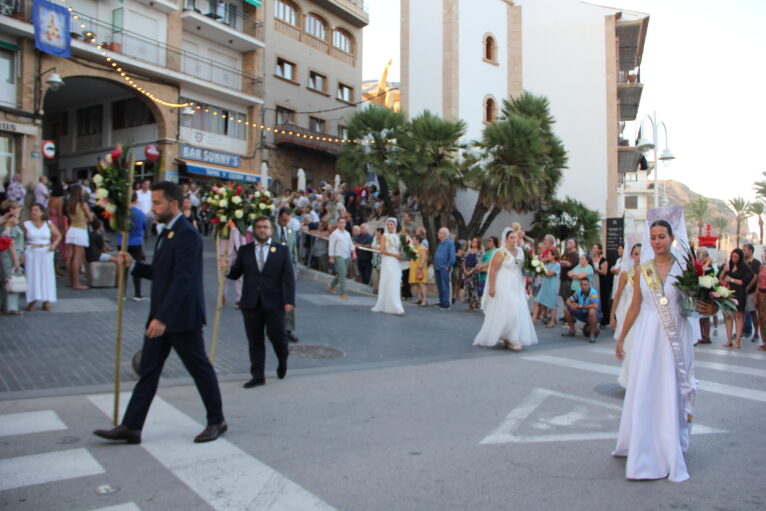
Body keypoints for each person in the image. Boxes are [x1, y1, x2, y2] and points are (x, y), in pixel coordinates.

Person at [94, 182, 226, 444]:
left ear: (173, 204)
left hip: (180, 318)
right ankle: (132, 426)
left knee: (200, 370)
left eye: (157, 203)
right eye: (152, 202)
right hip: (161, 317)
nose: (152, 208)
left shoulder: (186, 233)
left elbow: (183, 280)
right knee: (149, 372)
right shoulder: (168, 233)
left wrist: (163, 318)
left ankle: (216, 420)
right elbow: (161, 272)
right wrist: (133, 265)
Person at [613, 208, 715, 482]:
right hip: (647, 334)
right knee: (646, 386)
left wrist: (709, 307)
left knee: (669, 388)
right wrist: (622, 337)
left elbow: (696, 303)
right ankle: (643, 443)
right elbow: (635, 306)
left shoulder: (685, 269)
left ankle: (669, 444)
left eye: (662, 236)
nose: (657, 241)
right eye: (653, 237)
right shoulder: (642, 269)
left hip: (674, 335)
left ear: (672, 238)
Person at [222, 215, 295, 389]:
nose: (262, 230)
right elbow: (236, 274)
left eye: (266, 227)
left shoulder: (282, 250)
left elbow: (289, 278)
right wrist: (226, 268)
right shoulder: (245, 250)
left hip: (275, 303)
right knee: (255, 341)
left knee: (277, 337)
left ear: (271, 230)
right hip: (251, 303)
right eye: (259, 227)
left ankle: (282, 359)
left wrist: (289, 300)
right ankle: (257, 375)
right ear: (254, 230)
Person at [473, 227, 538, 351]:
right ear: (506, 239)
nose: (514, 240)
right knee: (511, 308)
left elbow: (527, 264)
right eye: (511, 237)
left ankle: (510, 337)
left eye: (516, 237)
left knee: (517, 309)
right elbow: (493, 269)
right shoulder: (501, 252)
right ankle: (513, 338)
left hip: (517, 284)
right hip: (504, 284)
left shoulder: (521, 251)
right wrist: (491, 288)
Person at [610, 243, 641, 388]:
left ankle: (639, 380)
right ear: (631, 256)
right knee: (629, 346)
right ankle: (630, 380)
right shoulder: (625, 274)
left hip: (643, 314)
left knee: (640, 347)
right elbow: (617, 295)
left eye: (641, 253)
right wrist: (612, 315)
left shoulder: (649, 273)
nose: (638, 257)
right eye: (636, 254)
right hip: (629, 312)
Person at [23, 203, 62, 312]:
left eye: (36, 210)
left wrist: (54, 244)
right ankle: (32, 299)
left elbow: (58, 235)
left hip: (46, 251)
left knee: (47, 275)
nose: (33, 212)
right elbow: (21, 238)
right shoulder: (26, 224)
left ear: (41, 212)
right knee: (32, 275)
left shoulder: (48, 223)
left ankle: (47, 300)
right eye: (32, 210)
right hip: (32, 251)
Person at [719, 248, 754, 349]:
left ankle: (737, 341)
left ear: (740, 258)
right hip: (727, 293)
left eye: (736, 257)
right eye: (732, 256)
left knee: (739, 317)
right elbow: (720, 279)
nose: (734, 259)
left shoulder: (744, 268)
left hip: (739, 294)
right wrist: (724, 271)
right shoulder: (727, 265)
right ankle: (729, 340)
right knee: (728, 316)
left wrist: (732, 279)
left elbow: (744, 282)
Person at [274, 207, 299, 343]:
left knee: (289, 299)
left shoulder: (291, 232)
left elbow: (294, 250)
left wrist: (295, 270)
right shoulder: (271, 230)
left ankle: (288, 329)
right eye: (283, 220)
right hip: (273, 270)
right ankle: (275, 327)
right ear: (278, 218)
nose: (284, 223)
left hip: (288, 270)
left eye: (287, 221)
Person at [371, 218, 405, 316]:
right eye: (388, 224)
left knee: (395, 282)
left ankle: (394, 304)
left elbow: (399, 249)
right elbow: (382, 250)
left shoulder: (397, 236)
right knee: (389, 281)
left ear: (395, 226)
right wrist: (395, 255)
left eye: (392, 225)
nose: (390, 226)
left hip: (396, 262)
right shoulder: (384, 236)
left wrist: (403, 253)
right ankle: (396, 306)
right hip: (388, 261)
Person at [65, 185, 93, 290]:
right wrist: (87, 218)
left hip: (71, 229)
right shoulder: (82, 204)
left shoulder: (69, 204)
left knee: (70, 257)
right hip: (80, 230)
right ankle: (76, 282)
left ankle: (70, 279)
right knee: (77, 257)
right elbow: (90, 218)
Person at [0, 200, 23, 315]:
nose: (20, 210)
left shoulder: (5, 221)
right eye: (18, 208)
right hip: (9, 254)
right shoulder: (11, 223)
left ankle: (5, 305)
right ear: (11, 210)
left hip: (6, 253)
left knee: (5, 279)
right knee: (12, 280)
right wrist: (16, 261)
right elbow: (10, 243)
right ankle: (11, 307)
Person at [562, 278, 602, 342]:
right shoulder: (579, 291)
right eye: (582, 285)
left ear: (589, 285)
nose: (583, 286)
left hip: (594, 315)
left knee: (592, 311)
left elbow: (595, 306)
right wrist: (572, 305)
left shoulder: (593, 292)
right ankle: (572, 330)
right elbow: (568, 301)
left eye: (585, 285)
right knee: (566, 308)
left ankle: (592, 335)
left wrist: (580, 306)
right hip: (582, 312)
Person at [328, 217, 356, 300]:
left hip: (346, 255)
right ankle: (343, 292)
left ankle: (331, 286)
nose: (342, 224)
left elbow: (351, 244)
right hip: (338, 255)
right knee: (343, 273)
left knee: (341, 273)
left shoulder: (347, 233)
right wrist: (331, 257)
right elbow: (331, 246)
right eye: (340, 222)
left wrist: (353, 252)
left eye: (344, 222)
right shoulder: (334, 234)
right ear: (337, 223)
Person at [534, 247, 561, 327]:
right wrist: (540, 266)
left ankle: (552, 321)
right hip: (544, 286)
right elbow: (542, 273)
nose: (547, 256)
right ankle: (534, 318)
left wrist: (541, 268)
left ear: (554, 256)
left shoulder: (557, 265)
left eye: (549, 254)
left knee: (552, 304)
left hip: (552, 286)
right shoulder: (548, 264)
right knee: (536, 301)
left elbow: (549, 274)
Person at [128, 193, 147, 301]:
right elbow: (145, 226)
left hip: (122, 242)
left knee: (123, 268)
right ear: (136, 199)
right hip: (136, 242)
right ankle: (137, 293)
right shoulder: (139, 213)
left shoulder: (121, 212)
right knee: (136, 266)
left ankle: (122, 293)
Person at [47, 181, 67, 276]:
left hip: (49, 220)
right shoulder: (59, 201)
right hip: (56, 221)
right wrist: (63, 226)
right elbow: (60, 214)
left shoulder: (50, 199)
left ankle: (52, 267)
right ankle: (56, 269)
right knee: (58, 245)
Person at [742, 243, 761, 343]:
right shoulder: (742, 262)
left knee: (753, 312)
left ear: (750, 251)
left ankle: (756, 332)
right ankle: (742, 330)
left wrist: (748, 287)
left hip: (751, 291)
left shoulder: (756, 263)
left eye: (745, 249)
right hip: (742, 291)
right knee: (741, 312)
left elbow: (756, 276)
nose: (743, 251)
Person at [434, 227, 455, 310]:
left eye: (439, 232)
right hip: (438, 267)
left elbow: (452, 256)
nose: (438, 234)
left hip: (444, 268)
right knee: (440, 285)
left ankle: (446, 303)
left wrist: (449, 265)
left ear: (444, 234)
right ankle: (442, 301)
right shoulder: (440, 243)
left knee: (445, 285)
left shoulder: (449, 243)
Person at [592, 243, 611, 327]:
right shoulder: (591, 259)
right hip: (593, 280)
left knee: (602, 300)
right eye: (593, 248)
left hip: (601, 282)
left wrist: (596, 269)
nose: (593, 249)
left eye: (595, 248)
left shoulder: (603, 260)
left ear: (599, 250)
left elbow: (604, 272)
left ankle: (604, 320)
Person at [462, 237, 483, 312]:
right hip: (467, 270)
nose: (473, 242)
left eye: (475, 241)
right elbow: (464, 261)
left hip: (474, 272)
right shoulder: (468, 251)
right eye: (473, 241)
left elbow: (479, 263)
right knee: (468, 288)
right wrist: (465, 270)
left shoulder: (480, 252)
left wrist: (471, 271)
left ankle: (476, 305)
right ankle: (470, 305)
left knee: (474, 288)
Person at [409, 234, 429, 307]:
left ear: (418, 240)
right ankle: (419, 298)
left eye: (414, 239)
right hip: (415, 268)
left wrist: (420, 267)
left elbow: (424, 258)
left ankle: (424, 299)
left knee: (422, 284)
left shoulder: (422, 248)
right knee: (417, 283)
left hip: (420, 268)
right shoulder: (415, 248)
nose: (413, 240)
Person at [559, 238, 579, 304]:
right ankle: (567, 312)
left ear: (574, 245)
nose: (567, 243)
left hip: (570, 280)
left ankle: (570, 312)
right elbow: (560, 261)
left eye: (570, 242)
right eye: (567, 242)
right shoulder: (565, 254)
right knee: (563, 296)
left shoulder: (575, 254)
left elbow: (568, 264)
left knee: (569, 298)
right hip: (563, 278)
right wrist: (563, 262)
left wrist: (563, 262)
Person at [755, 248, 766, 351]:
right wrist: (756, 296)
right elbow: (758, 282)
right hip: (761, 295)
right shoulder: (762, 267)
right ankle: (764, 340)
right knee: (761, 319)